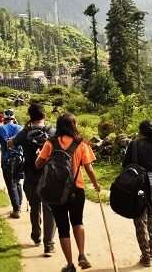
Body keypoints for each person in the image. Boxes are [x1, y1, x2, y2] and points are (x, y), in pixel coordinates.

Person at [35, 113, 100, 272]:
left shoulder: (50, 143)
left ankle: (70, 265)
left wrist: (40, 156)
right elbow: (89, 168)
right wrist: (96, 184)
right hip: (77, 190)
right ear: (73, 125)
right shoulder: (81, 144)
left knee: (63, 227)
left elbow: (38, 165)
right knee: (78, 222)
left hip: (56, 192)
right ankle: (82, 255)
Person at [8, 104, 57, 257]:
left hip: (31, 176)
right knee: (49, 209)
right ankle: (48, 245)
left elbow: (11, 144)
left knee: (34, 207)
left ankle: (36, 237)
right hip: (49, 177)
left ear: (30, 116)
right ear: (44, 115)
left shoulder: (25, 132)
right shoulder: (52, 131)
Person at [123, 120, 152, 267]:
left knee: (139, 219)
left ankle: (146, 255)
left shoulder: (134, 145)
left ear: (140, 131)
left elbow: (126, 166)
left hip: (139, 187)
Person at [0, 109, 24, 218]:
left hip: (7, 161)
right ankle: (19, 205)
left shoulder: (0, 129)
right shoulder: (20, 128)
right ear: (13, 118)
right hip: (20, 160)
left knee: (11, 184)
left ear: (3, 118)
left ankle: (16, 210)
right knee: (17, 182)